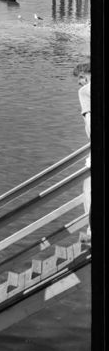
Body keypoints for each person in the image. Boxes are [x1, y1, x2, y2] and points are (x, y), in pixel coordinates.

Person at [74, 62, 92, 237]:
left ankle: (91, 229)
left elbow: (90, 124)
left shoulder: (85, 91)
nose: (79, 84)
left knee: (88, 186)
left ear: (84, 77)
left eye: (79, 80)